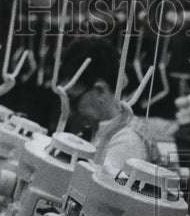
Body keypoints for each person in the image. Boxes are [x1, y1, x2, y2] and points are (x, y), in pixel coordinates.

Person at [59, 36, 154, 174]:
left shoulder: (126, 141)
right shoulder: (100, 130)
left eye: (73, 100)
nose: (71, 111)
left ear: (100, 91)